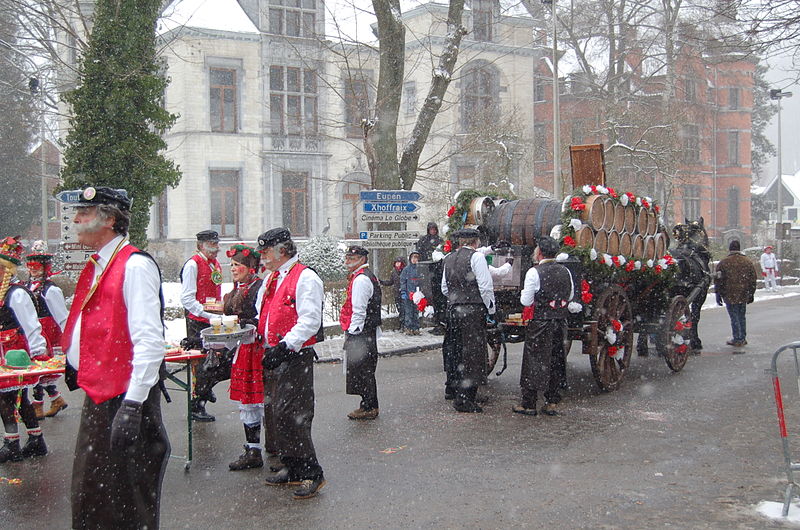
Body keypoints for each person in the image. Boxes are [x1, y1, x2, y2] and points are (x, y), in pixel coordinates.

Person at [59, 186, 169, 529]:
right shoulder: (102, 264)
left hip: (122, 397)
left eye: (85, 213)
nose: (76, 219)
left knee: (124, 498)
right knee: (93, 494)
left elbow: (150, 342)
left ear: (109, 219)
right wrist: (75, 361)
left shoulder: (134, 265)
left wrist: (133, 405)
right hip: (102, 394)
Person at [256, 228, 326, 499]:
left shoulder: (305, 277)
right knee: (277, 413)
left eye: (265, 252)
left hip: (295, 356)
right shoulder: (273, 278)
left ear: (281, 251)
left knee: (295, 413)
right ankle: (293, 465)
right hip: (274, 354)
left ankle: (312, 472)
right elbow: (265, 313)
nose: (262, 257)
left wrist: (286, 345)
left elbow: (309, 320)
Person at [513, 236, 574, 417]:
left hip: (541, 322)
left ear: (539, 253)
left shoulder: (534, 272)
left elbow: (526, 300)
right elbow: (569, 297)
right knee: (556, 359)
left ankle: (529, 403)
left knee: (534, 361)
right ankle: (552, 401)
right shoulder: (566, 271)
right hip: (559, 321)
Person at [0, 236, 49, 463]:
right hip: (4, 353)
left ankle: (12, 442)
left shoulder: (16, 294)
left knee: (8, 398)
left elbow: (31, 325)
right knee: (18, 398)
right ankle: (35, 439)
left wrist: (39, 354)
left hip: (16, 353)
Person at [440, 228, 496, 413]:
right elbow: (485, 286)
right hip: (472, 310)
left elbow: (444, 289)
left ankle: (456, 391)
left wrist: (457, 299)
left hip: (454, 309)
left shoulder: (448, 258)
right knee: (472, 354)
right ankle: (466, 399)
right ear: (476, 242)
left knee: (456, 351)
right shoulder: (477, 258)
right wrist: (491, 309)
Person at [224, 243, 266, 471]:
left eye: (237, 264)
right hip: (244, 348)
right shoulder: (237, 288)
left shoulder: (259, 287)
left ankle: (271, 447)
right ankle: (253, 448)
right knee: (248, 400)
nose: (233, 268)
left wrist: (249, 325)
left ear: (251, 267)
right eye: (231, 264)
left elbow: (263, 319)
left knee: (259, 399)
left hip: (258, 348)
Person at [180, 229, 224, 422]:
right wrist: (206, 314)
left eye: (217, 245)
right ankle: (197, 403)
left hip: (214, 319)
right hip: (199, 321)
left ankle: (205, 391)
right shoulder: (192, 265)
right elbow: (187, 299)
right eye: (212, 246)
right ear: (200, 246)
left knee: (216, 360)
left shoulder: (215, 264)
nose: (216, 250)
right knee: (201, 363)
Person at [25, 240, 69, 419]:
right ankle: (55, 398)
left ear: (45, 267)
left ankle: (38, 405)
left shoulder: (50, 290)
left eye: (37, 265)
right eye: (30, 265)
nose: (33, 269)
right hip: (32, 330)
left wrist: (68, 338)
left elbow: (62, 316)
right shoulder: (27, 287)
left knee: (40, 369)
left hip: (47, 334)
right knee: (36, 369)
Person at [341, 245, 382, 420]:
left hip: (362, 331)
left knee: (363, 370)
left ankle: (369, 406)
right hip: (366, 330)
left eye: (351, 258)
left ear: (362, 259)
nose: (347, 261)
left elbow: (359, 309)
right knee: (364, 369)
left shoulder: (361, 280)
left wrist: (353, 332)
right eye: (347, 258)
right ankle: (368, 404)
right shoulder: (363, 276)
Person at [715, 239, 757, 347]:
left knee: (734, 316)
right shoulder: (747, 262)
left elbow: (718, 280)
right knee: (741, 316)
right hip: (743, 293)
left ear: (730, 249)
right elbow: (753, 279)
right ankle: (742, 337)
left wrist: (718, 294)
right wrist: (751, 293)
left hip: (729, 294)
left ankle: (737, 338)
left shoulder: (723, 262)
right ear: (739, 248)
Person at [416, 223, 446, 334]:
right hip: (427, 270)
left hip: (437, 270)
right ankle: (437, 322)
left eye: (434, 229)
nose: (433, 231)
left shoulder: (440, 240)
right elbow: (420, 252)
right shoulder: (424, 240)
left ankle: (440, 323)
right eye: (431, 229)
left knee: (438, 299)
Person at [380, 256, 406, 332]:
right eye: (396, 263)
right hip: (397, 293)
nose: (397, 264)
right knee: (400, 309)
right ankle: (402, 324)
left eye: (399, 263)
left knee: (404, 310)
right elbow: (391, 282)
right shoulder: (394, 272)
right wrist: (382, 282)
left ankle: (405, 325)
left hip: (404, 293)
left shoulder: (405, 271)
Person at [399, 251, 421, 335]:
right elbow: (403, 281)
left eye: (416, 258)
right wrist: (404, 292)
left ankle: (416, 328)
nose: (415, 260)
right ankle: (408, 327)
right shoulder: (406, 270)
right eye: (413, 258)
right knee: (408, 312)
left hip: (417, 295)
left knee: (416, 312)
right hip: (408, 294)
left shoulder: (420, 269)